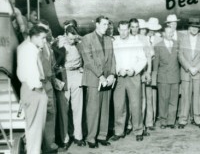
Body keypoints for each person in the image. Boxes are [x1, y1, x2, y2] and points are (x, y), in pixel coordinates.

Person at [81, 16, 116, 148]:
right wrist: (100, 76)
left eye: (107, 25)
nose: (105, 27)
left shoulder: (108, 40)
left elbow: (112, 58)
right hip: (94, 79)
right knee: (93, 109)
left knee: (105, 109)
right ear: (97, 24)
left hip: (107, 79)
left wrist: (112, 74)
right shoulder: (87, 38)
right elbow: (88, 60)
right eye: (103, 24)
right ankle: (91, 138)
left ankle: (102, 135)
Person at [111, 21, 147, 142]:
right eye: (121, 30)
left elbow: (143, 60)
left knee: (135, 105)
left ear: (129, 30)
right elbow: (112, 61)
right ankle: (119, 131)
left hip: (133, 77)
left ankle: (138, 130)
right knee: (119, 105)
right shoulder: (114, 43)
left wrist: (134, 70)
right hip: (120, 78)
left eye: (126, 29)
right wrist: (117, 70)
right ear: (118, 30)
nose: (123, 32)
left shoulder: (136, 42)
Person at [16, 25, 49, 154]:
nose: (44, 41)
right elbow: (32, 74)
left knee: (32, 128)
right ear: (34, 37)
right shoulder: (30, 50)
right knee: (35, 128)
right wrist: (40, 88)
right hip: (34, 90)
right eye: (43, 38)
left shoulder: (24, 47)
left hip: (28, 89)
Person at [178, 18, 200, 129]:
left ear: (199, 28)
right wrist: (189, 67)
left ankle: (198, 118)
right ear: (189, 27)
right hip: (186, 72)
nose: (194, 29)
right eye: (192, 27)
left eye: (196, 27)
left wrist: (197, 68)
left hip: (198, 72)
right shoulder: (182, 39)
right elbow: (180, 55)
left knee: (198, 96)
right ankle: (183, 119)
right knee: (185, 96)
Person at [58, 25, 86, 147]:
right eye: (69, 39)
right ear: (65, 35)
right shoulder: (59, 44)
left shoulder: (79, 44)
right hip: (64, 75)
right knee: (64, 109)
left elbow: (87, 57)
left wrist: (82, 68)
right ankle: (65, 138)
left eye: (73, 39)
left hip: (77, 75)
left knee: (77, 107)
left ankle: (78, 136)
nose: (71, 41)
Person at [37, 20, 59, 153]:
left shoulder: (47, 45)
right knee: (40, 117)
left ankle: (50, 145)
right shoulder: (32, 46)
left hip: (48, 82)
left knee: (51, 114)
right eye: (43, 29)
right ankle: (39, 147)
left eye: (47, 29)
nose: (46, 32)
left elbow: (51, 63)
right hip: (38, 85)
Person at [153, 25, 180, 129]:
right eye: (168, 32)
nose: (171, 34)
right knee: (163, 100)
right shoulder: (158, 46)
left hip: (175, 77)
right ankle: (163, 121)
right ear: (163, 34)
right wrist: (155, 79)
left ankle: (171, 121)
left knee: (174, 100)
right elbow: (155, 64)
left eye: (172, 32)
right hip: (163, 78)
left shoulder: (177, 44)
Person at [127, 18, 152, 136]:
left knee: (141, 101)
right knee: (128, 101)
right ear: (129, 27)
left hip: (141, 74)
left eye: (136, 27)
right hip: (128, 75)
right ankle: (129, 124)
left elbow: (148, 57)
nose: (134, 29)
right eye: (132, 26)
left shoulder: (144, 39)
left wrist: (148, 72)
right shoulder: (125, 38)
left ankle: (140, 126)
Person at [145, 17, 162, 130]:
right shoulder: (143, 39)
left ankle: (151, 121)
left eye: (154, 29)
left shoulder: (159, 40)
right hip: (144, 70)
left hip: (155, 70)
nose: (152, 31)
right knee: (146, 96)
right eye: (150, 28)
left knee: (153, 96)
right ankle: (146, 120)